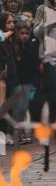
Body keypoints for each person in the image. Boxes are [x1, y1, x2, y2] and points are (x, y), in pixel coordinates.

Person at [14, 19, 40, 144]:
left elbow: (35, 65)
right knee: (19, 108)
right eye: (22, 33)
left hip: (28, 82)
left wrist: (35, 82)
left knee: (24, 108)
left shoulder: (32, 46)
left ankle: (22, 132)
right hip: (16, 82)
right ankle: (20, 133)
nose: (24, 36)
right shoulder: (13, 47)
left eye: (27, 33)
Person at [0, 12, 19, 145]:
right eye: (8, 22)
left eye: (13, 22)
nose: (12, 25)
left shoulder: (13, 38)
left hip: (12, 77)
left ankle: (8, 134)